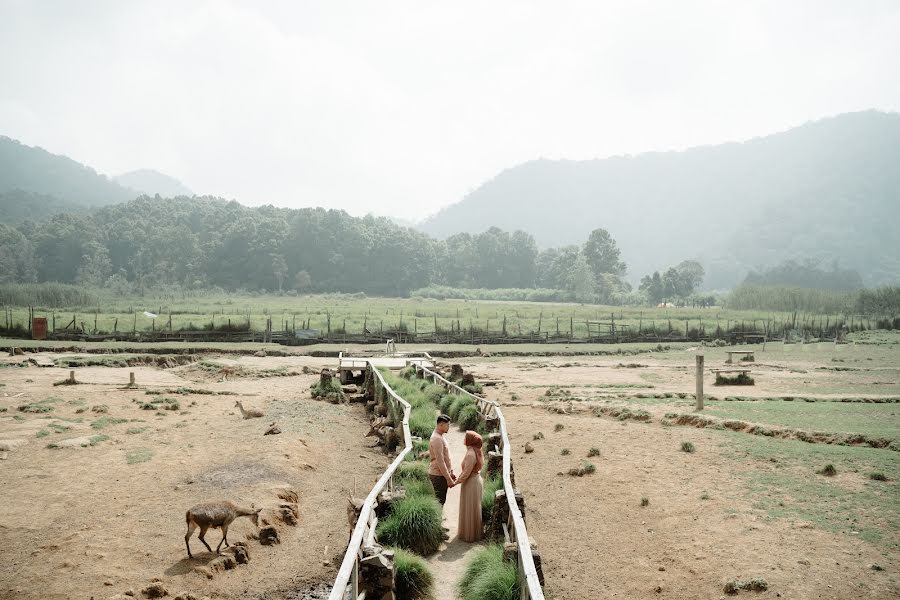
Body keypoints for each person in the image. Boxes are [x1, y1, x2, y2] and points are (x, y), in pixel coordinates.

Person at [456, 430, 484, 542]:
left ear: (470, 441)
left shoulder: (471, 454)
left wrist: (455, 482)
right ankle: (473, 532)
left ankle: (469, 534)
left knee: (469, 508)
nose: (464, 439)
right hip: (475, 481)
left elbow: (466, 473)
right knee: (473, 507)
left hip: (471, 483)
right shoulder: (476, 451)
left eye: (466, 437)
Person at [428, 414, 456, 507]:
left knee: (441, 500)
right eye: (447, 425)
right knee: (439, 502)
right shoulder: (437, 438)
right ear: (441, 425)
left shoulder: (440, 436)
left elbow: (446, 456)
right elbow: (440, 461)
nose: (449, 427)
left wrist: (450, 471)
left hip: (441, 474)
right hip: (438, 475)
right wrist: (448, 479)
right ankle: (438, 520)